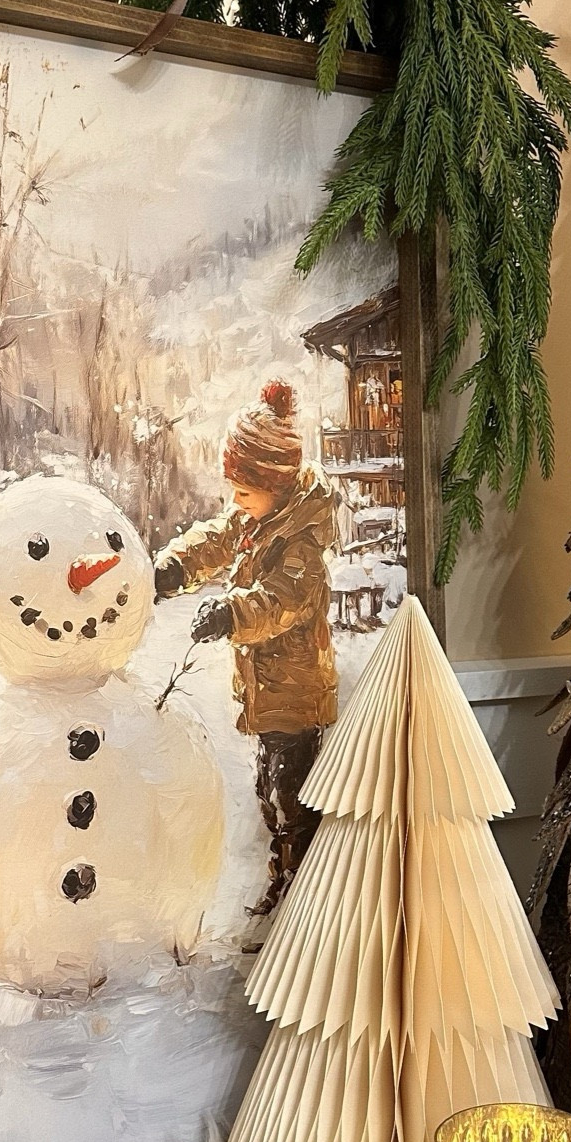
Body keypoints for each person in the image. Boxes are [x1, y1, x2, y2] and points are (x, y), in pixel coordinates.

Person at [153, 381, 338, 926]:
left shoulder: (301, 544)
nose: (236, 502)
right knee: (269, 792)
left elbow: (282, 602)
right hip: (267, 694)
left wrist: (232, 614)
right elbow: (214, 539)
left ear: (275, 486)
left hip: (297, 694)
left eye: (244, 491)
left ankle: (303, 896)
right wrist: (177, 568)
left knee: (291, 798)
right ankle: (286, 883)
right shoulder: (256, 519)